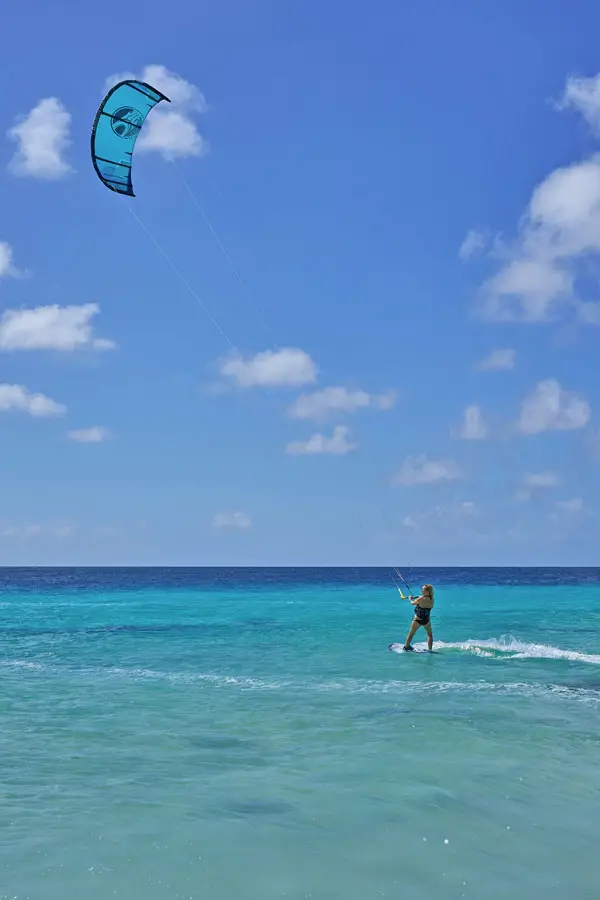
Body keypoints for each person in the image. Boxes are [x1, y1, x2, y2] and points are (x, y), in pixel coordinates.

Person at [402, 584, 435, 652]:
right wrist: (418, 597)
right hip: (426, 620)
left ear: (427, 591)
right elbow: (423, 600)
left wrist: (410, 599)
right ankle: (430, 650)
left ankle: (406, 646)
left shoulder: (421, 598)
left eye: (422, 589)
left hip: (417, 619)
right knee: (429, 635)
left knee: (411, 633)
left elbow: (413, 603)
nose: (421, 590)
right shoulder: (432, 598)